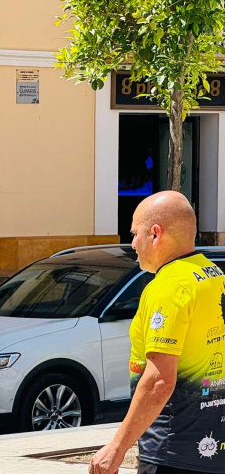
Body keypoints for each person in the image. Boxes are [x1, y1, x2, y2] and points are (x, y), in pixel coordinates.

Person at [90, 191, 225, 474]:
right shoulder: (213, 274)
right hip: (212, 446)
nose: (132, 244)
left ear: (155, 233)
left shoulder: (168, 287)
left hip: (171, 448)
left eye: (135, 234)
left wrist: (117, 447)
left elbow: (159, 380)